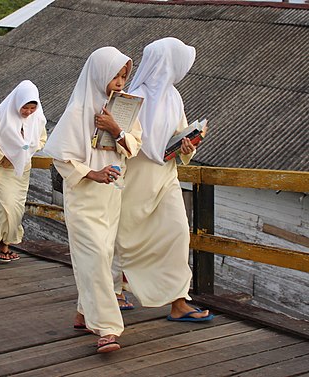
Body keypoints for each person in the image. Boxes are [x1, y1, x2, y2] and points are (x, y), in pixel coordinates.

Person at [43, 47, 142, 353]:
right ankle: (109, 328)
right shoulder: (77, 112)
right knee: (97, 258)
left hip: (111, 196)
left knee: (99, 257)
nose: (120, 82)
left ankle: (84, 313)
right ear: (99, 74)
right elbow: (61, 157)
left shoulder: (124, 110)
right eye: (115, 75)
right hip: (85, 199)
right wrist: (92, 173)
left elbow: (134, 148)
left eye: (124, 75)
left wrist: (116, 129)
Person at [115, 37, 214, 322]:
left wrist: (188, 145)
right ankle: (115, 289)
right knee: (125, 238)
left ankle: (179, 301)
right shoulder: (134, 98)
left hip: (165, 177)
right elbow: (117, 141)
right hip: (135, 180)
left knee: (178, 234)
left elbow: (178, 135)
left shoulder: (174, 97)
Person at [0, 80, 48, 262]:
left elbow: (42, 139)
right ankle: (0, 243)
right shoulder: (0, 115)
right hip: (1, 167)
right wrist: (2, 156)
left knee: (17, 209)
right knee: (8, 206)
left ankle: (3, 245)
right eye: (25, 108)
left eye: (32, 108)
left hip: (22, 169)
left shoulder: (37, 119)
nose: (28, 112)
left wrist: (28, 148)